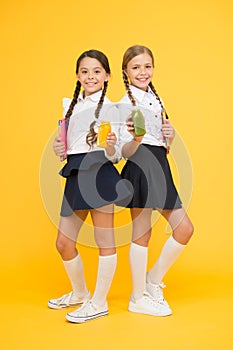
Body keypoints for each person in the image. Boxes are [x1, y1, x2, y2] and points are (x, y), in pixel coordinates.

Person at [48, 49, 129, 323]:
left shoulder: (113, 108)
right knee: (64, 242)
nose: (90, 76)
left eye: (96, 71)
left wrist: (110, 147)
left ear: (106, 76)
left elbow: (116, 153)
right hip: (75, 171)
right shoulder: (69, 105)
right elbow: (69, 146)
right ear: (77, 75)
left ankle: (99, 302)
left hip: (99, 173)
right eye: (85, 71)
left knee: (104, 241)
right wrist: (61, 147)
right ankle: (80, 294)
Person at [118, 45, 194, 316]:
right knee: (142, 233)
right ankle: (138, 297)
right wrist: (135, 139)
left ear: (153, 68)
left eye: (147, 66)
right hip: (140, 163)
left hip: (159, 163)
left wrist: (169, 136)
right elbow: (121, 152)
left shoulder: (155, 99)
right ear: (125, 71)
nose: (142, 72)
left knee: (184, 228)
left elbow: (164, 145)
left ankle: (152, 280)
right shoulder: (124, 104)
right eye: (136, 67)